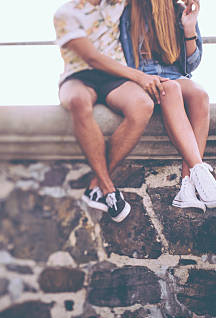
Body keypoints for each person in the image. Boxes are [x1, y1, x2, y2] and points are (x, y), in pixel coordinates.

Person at [54, 0, 169, 222]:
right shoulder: (65, 13)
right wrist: (140, 77)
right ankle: (108, 187)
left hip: (114, 78)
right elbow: (91, 58)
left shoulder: (117, 4)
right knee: (78, 102)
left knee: (143, 105)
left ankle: (96, 184)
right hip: (79, 75)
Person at [119, 0, 216, 210]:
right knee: (171, 90)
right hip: (142, 80)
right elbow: (123, 59)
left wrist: (189, 27)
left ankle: (187, 187)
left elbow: (191, 63)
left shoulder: (178, 10)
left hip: (175, 76)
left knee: (200, 94)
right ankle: (199, 170)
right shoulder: (129, 12)